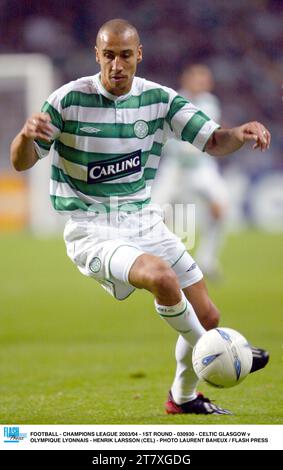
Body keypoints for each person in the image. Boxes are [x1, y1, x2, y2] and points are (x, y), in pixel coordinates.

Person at [10, 19, 270, 415]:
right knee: (162, 278)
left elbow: (214, 140)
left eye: (125, 55)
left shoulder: (159, 100)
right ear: (97, 55)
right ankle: (224, 351)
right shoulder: (67, 100)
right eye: (109, 55)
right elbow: (21, 162)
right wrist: (26, 136)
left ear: (138, 55)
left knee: (208, 312)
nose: (117, 64)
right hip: (91, 229)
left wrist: (242, 132)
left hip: (143, 221)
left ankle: (183, 397)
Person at [152, 64, 228, 279]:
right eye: (199, 78)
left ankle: (207, 260)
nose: (203, 83)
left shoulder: (210, 103)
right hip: (175, 166)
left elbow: (207, 135)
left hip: (201, 167)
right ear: (187, 80)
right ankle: (160, 260)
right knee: (156, 215)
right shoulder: (173, 101)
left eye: (206, 79)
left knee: (220, 207)